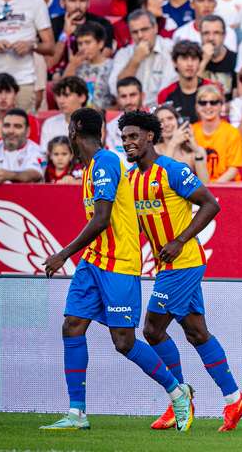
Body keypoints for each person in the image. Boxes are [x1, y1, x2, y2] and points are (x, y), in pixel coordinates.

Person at [38, 108, 192, 431]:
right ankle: (77, 413)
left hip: (119, 263)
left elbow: (102, 218)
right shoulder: (91, 167)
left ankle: (178, 392)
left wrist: (63, 254)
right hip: (93, 262)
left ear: (76, 129)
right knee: (72, 325)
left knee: (123, 341)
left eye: (70, 125)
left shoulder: (106, 162)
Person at [117, 111, 242, 432]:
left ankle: (180, 398)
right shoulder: (131, 178)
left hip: (183, 262)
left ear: (151, 137)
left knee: (151, 330)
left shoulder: (172, 170)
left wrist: (179, 239)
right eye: (124, 138)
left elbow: (210, 204)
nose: (128, 143)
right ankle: (234, 399)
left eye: (134, 136)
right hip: (168, 265)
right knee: (196, 332)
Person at [108, 10, 175, 107]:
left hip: (161, 109)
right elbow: (115, 90)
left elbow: (168, 89)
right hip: (132, 111)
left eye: (144, 30)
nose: (140, 36)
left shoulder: (170, 50)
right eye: (135, 32)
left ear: (155, 28)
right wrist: (135, 60)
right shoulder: (123, 54)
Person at [153, 104, 209, 181]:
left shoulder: (197, 151)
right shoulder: (153, 150)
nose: (166, 124)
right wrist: (172, 144)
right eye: (161, 121)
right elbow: (160, 180)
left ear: (179, 121)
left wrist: (197, 152)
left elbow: (205, 182)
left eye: (170, 118)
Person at [40, 76, 89, 153]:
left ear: (82, 97)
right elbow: (44, 154)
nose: (61, 101)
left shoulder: (95, 123)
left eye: (66, 95)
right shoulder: (50, 123)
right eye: (58, 96)